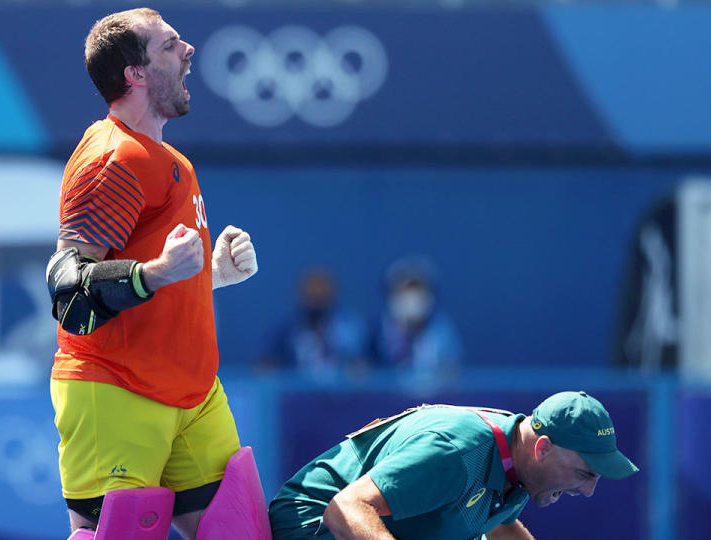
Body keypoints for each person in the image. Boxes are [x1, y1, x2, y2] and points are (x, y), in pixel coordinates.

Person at [45, 8, 258, 538]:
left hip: (193, 392)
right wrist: (158, 272)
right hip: (117, 390)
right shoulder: (113, 157)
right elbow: (69, 292)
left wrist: (209, 277)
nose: (188, 50)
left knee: (241, 532)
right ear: (134, 74)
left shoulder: (174, 163)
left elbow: (152, 278)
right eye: (169, 45)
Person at [269, 391, 639, 539]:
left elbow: (501, 527)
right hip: (310, 529)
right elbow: (345, 508)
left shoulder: (522, 462)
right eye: (585, 473)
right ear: (543, 448)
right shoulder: (457, 454)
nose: (589, 490)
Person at [261, 267, 367, 380]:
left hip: (340, 392)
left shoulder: (349, 326)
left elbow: (361, 362)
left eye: (322, 291)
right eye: (312, 292)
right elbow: (268, 362)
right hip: (298, 392)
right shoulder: (286, 329)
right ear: (302, 294)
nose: (317, 295)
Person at [370, 256, 462, 380]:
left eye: (417, 290)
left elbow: (452, 369)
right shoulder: (378, 330)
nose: (411, 299)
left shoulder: (442, 328)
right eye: (404, 291)